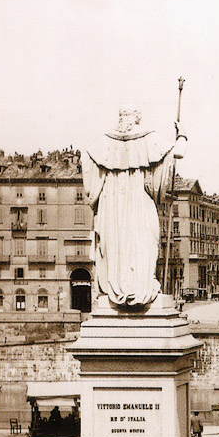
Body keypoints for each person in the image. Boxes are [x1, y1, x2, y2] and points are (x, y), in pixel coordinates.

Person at [82, 106, 185, 308]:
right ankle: (140, 287)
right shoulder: (148, 139)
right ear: (137, 120)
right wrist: (182, 135)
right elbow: (177, 153)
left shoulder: (103, 144)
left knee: (115, 246)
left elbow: (89, 171)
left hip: (111, 207)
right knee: (144, 242)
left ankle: (118, 288)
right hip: (140, 203)